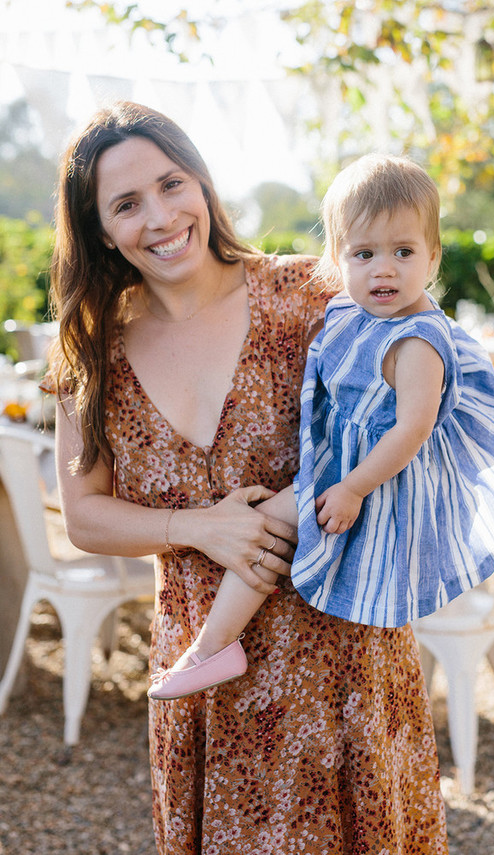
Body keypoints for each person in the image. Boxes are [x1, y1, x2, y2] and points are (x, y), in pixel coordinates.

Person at [46, 103, 449, 854]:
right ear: (101, 229)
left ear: (202, 182)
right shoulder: (91, 356)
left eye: (172, 184)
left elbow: (421, 404)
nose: (161, 216)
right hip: (206, 686)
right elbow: (85, 517)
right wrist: (198, 525)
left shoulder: (314, 295)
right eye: (127, 204)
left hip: (343, 672)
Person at [149, 153, 494, 702]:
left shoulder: (416, 342)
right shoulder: (352, 311)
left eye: (403, 252)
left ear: (433, 257)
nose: (384, 269)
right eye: (364, 253)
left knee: (265, 530)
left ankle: (212, 647)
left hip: (373, 479)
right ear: (337, 259)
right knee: (263, 532)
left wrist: (353, 488)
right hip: (338, 466)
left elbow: (412, 430)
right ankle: (215, 647)